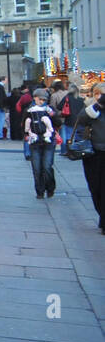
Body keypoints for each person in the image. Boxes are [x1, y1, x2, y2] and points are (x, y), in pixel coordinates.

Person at [74, 82, 105, 233]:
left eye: (102, 94)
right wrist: (97, 106)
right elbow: (81, 119)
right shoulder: (90, 107)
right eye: (97, 94)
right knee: (95, 187)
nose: (99, 97)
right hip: (92, 153)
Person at [24, 88, 59, 199]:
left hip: (48, 142)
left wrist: (52, 114)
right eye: (40, 99)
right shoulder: (29, 110)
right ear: (35, 98)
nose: (42, 101)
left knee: (47, 166)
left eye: (44, 99)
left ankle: (50, 188)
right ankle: (40, 191)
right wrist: (27, 135)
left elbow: (58, 122)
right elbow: (24, 125)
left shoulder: (50, 109)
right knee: (37, 168)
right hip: (35, 142)